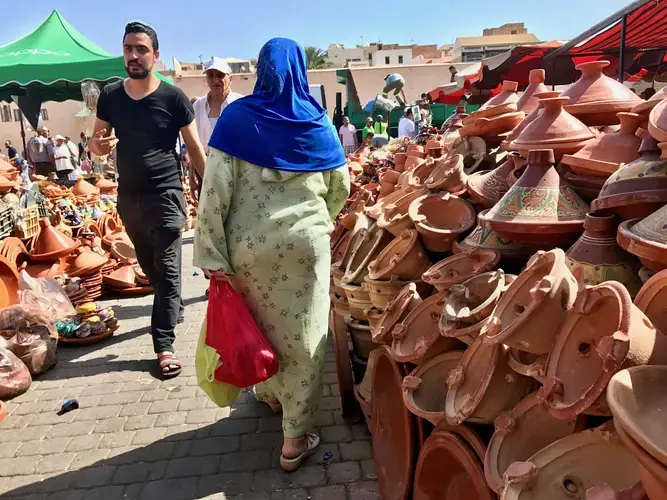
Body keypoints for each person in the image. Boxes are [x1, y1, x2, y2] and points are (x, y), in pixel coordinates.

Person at [194, 37, 349, 472]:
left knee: (260, 327)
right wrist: (316, 221)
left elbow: (214, 193)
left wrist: (212, 255)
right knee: (303, 337)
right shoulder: (317, 121)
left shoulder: (237, 118)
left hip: (249, 249)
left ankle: (270, 395)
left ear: (262, 72)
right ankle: (295, 440)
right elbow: (340, 189)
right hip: (305, 248)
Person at [90, 20, 206, 378]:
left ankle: (164, 345)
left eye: (141, 49)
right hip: (130, 198)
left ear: (155, 55)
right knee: (151, 267)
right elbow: (96, 143)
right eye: (128, 49)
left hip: (167, 193)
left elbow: (194, 147)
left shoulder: (173, 97)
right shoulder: (110, 95)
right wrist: (99, 146)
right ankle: (171, 308)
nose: (134, 55)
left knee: (169, 271)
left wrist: (211, 191)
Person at [192, 58, 243, 197]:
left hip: (234, 171)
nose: (215, 80)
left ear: (230, 78)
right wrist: (192, 176)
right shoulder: (197, 107)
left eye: (220, 75)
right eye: (211, 75)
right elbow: (193, 144)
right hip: (205, 169)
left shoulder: (240, 104)